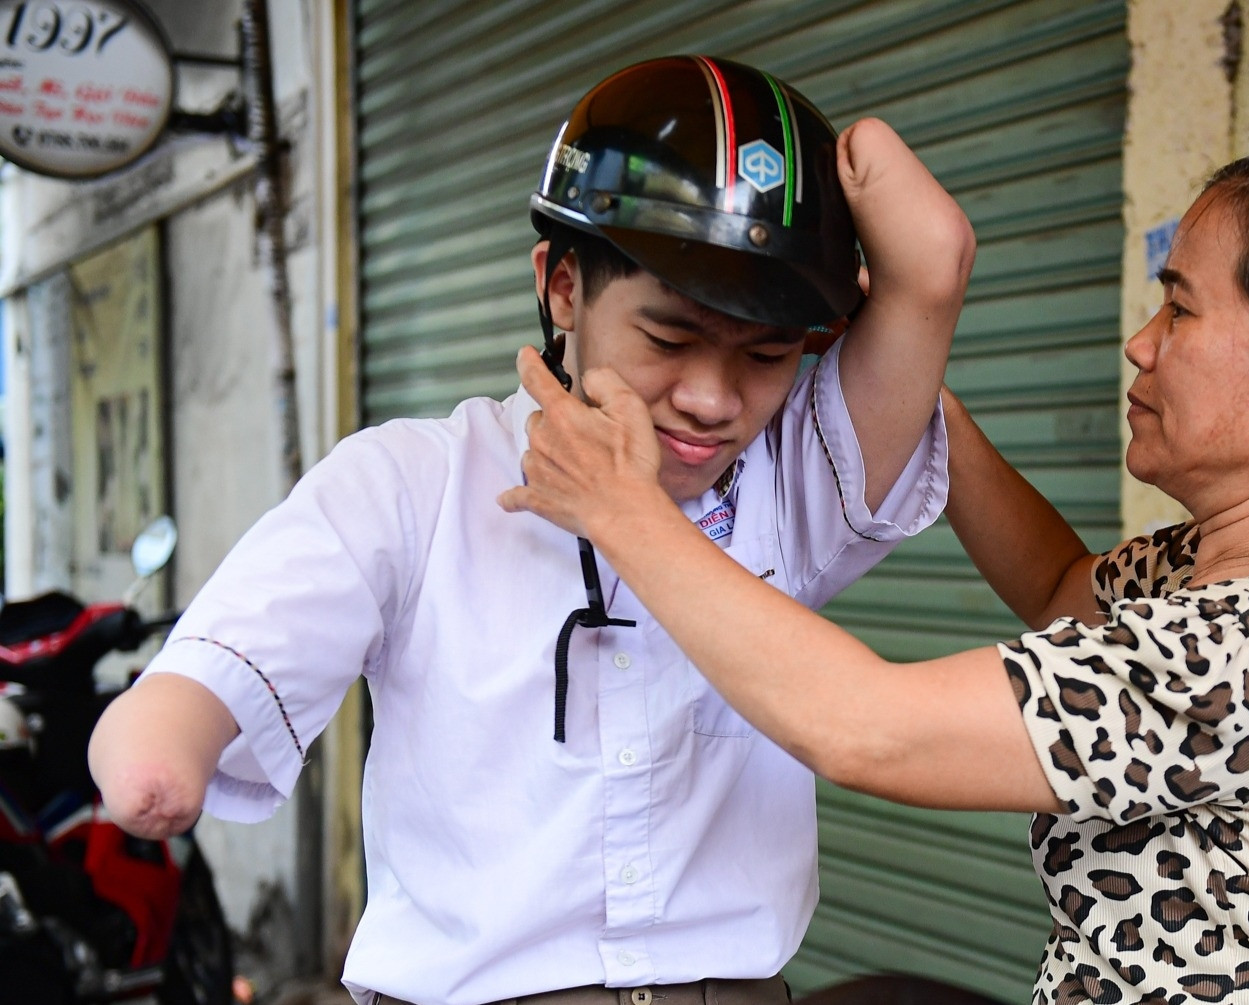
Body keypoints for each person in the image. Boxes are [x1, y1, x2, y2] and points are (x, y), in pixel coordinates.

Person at [503, 148, 1249, 1003]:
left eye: (1183, 312)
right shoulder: (1220, 573)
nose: (1141, 347)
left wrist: (624, 510)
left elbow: (864, 729)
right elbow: (1063, 584)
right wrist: (899, 365)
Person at [87, 56, 973, 1005]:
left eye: (765, 356)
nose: (713, 399)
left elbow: (935, 255)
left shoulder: (797, 486)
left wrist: (794, 176)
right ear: (560, 286)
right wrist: (164, 739)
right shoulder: (410, 484)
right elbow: (227, 656)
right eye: (668, 340)